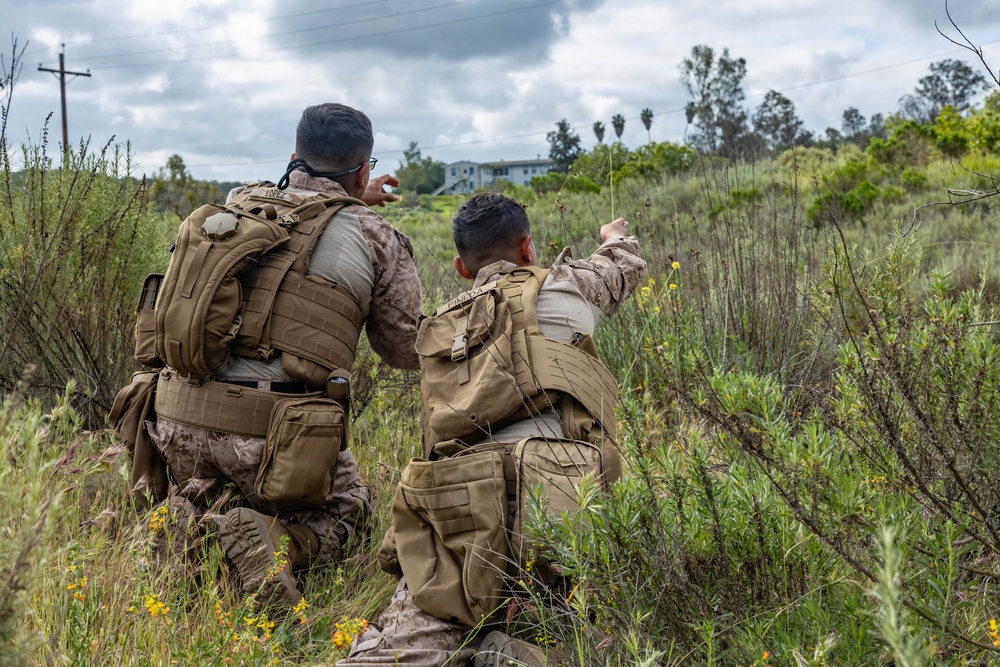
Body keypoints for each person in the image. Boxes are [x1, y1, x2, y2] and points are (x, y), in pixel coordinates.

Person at [337, 192, 645, 666]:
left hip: (459, 501)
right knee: (597, 632)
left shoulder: (439, 329)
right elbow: (621, 267)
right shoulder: (567, 288)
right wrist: (614, 237)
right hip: (558, 492)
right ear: (527, 248)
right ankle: (523, 654)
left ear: (462, 268)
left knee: (404, 644)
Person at [131, 103, 422, 604]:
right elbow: (403, 350)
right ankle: (277, 540)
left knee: (213, 490)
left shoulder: (236, 203)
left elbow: (300, 207)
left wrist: (350, 196)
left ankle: (186, 522)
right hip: (272, 435)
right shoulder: (377, 235)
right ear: (362, 173)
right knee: (350, 511)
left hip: (175, 418)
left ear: (293, 158)